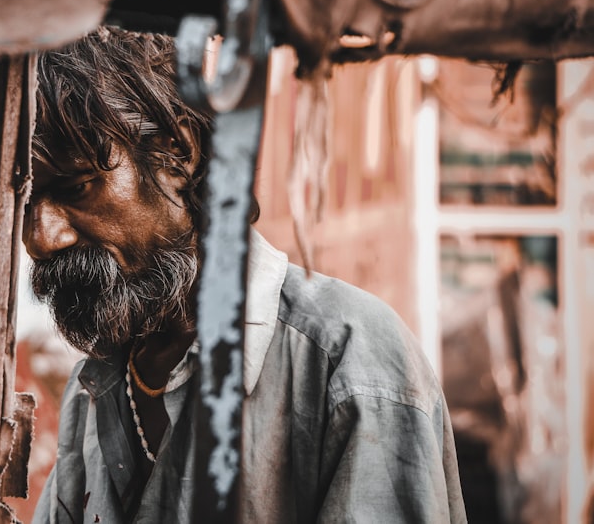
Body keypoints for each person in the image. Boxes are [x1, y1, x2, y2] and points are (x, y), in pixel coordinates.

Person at [25, 26, 467, 523]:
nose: (41, 238)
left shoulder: (347, 362)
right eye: (24, 202)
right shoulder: (99, 382)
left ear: (178, 153)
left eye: (79, 186)